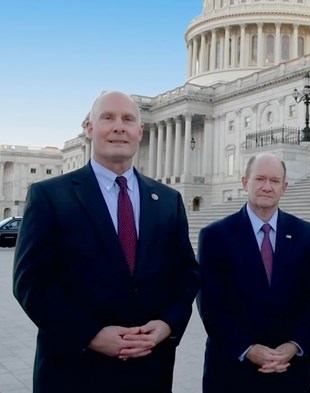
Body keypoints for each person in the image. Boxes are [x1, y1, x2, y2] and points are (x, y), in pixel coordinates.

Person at [13, 91, 200, 393]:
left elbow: (186, 275)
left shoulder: (168, 200)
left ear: (140, 130)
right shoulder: (50, 195)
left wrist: (167, 324)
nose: (119, 127)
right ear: (89, 128)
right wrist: (90, 335)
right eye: (108, 118)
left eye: (128, 119)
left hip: (149, 368)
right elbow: (31, 283)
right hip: (74, 370)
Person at [197, 153, 310, 393]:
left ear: (285, 187)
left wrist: (294, 346)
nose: (267, 187)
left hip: (289, 369)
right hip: (232, 369)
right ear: (244, 182)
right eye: (259, 179)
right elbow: (210, 304)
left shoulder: (308, 235)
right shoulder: (215, 236)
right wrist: (247, 349)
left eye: (274, 181)